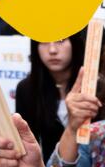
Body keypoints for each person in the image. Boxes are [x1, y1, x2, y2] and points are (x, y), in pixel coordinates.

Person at [13, 31, 87, 160]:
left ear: (74, 42)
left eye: (60, 40)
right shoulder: (27, 89)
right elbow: (26, 144)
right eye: (44, 41)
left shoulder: (96, 85)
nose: (52, 50)